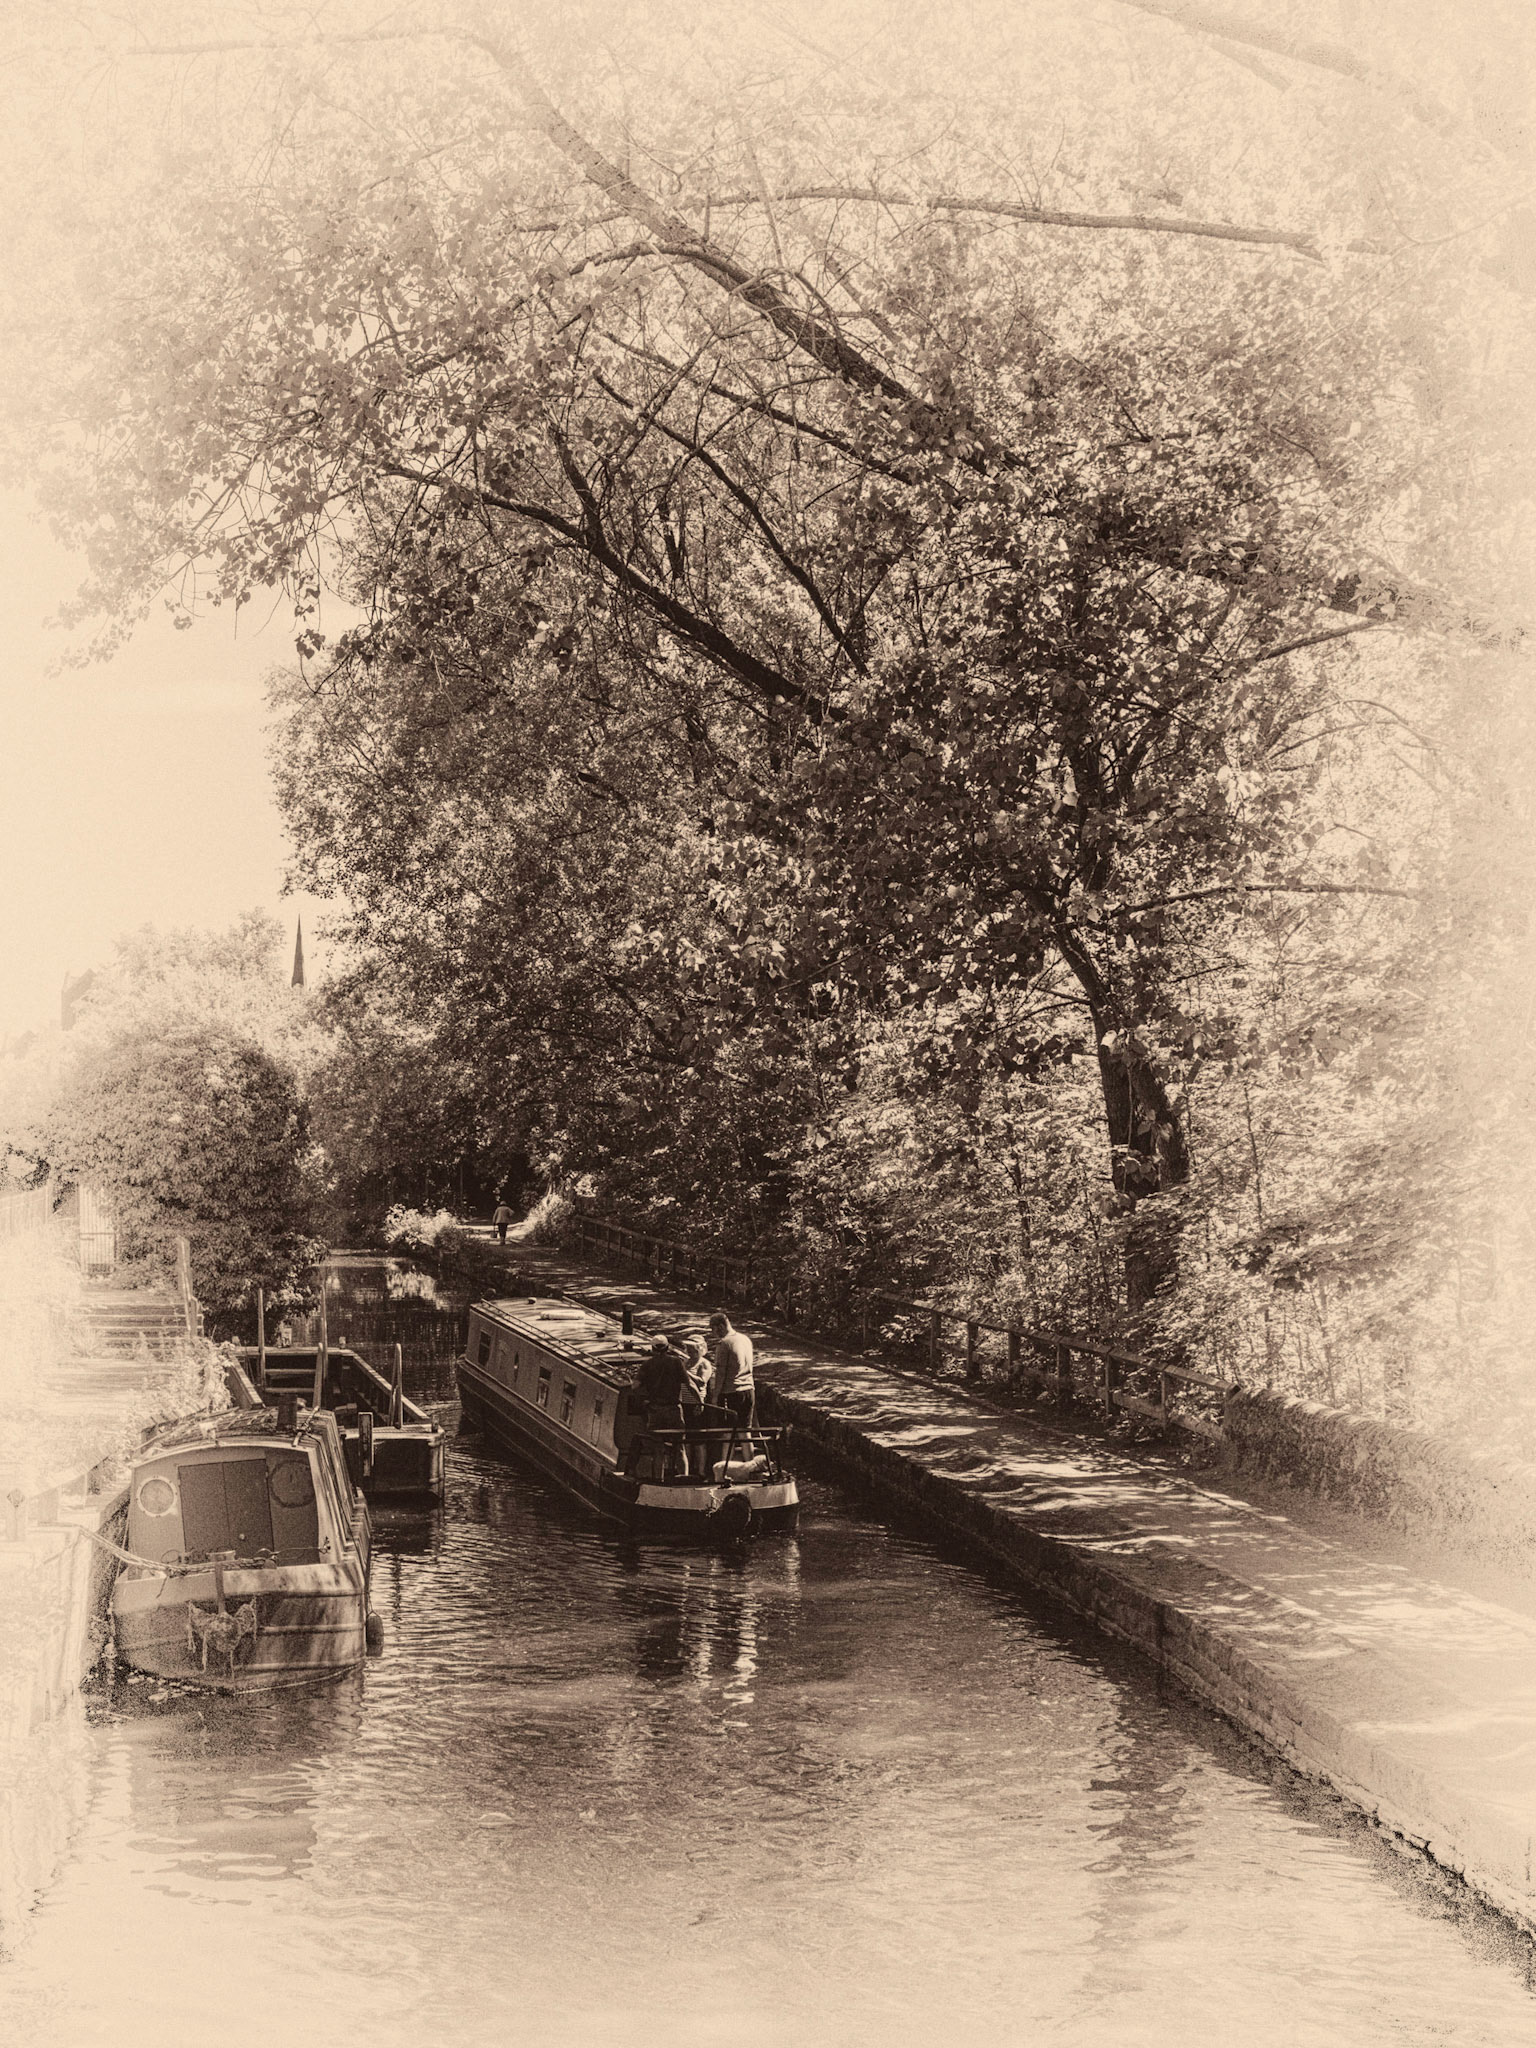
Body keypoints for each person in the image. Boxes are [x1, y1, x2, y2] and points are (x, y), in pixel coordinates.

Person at [708, 1312, 756, 1439]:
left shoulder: (724, 1343)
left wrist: (715, 1396)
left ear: (721, 1327)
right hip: (749, 1390)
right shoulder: (745, 1339)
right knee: (745, 1432)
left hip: (731, 1392)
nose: (713, 1333)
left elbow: (721, 1372)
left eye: (712, 1329)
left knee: (728, 1433)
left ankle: (724, 1459)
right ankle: (749, 1459)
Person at [679, 1335, 712, 1478]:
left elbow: (702, 1382)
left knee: (699, 1440)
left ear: (700, 1349)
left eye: (693, 1349)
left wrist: (685, 1373)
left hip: (697, 1405)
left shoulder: (704, 1364)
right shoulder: (686, 1362)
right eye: (689, 1349)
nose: (690, 1352)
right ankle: (688, 1471)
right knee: (686, 1439)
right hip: (684, 1404)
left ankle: (701, 1472)